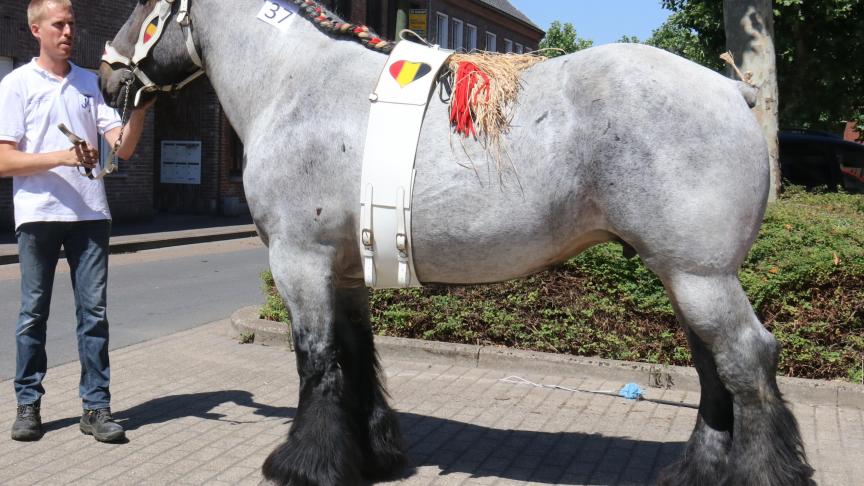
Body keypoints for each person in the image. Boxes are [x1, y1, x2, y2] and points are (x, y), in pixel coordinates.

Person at [0, 0, 150, 442]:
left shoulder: (89, 84)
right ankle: (28, 405)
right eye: (59, 24)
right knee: (32, 315)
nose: (68, 32)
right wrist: (63, 157)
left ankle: (96, 408)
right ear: (35, 30)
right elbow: (4, 159)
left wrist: (139, 106)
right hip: (38, 217)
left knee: (94, 316)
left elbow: (121, 147)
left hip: (89, 216)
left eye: (72, 24)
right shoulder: (16, 84)